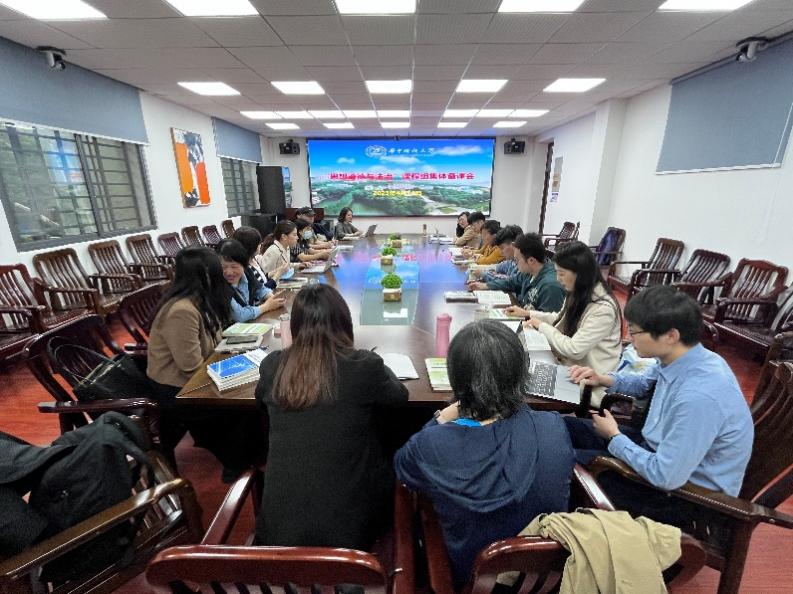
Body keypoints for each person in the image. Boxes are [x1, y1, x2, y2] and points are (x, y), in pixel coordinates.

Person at [394, 321, 575, 590]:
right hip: (544, 579)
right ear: (521, 371)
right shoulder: (553, 426)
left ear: (456, 379)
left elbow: (403, 467)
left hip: (470, 579)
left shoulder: (432, 444)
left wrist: (441, 417)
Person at [563, 286, 753, 529]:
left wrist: (615, 437)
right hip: (655, 451)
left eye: (635, 332)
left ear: (670, 335)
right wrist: (602, 378)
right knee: (563, 427)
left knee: (563, 463)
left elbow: (665, 476)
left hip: (682, 498)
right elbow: (646, 383)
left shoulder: (699, 396)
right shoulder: (685, 358)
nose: (631, 338)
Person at [254, 284, 408, 550]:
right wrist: (376, 361)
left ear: (296, 325)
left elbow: (260, 402)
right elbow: (399, 397)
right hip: (352, 536)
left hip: (279, 533)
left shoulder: (273, 366)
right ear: (343, 322)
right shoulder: (364, 365)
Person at [147, 247, 262, 479]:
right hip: (178, 390)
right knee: (245, 406)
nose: (224, 275)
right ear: (206, 276)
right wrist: (234, 373)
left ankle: (247, 454)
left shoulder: (200, 302)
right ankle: (235, 464)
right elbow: (191, 369)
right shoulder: (181, 311)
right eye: (219, 271)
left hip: (200, 375)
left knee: (256, 389)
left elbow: (216, 340)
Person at [523, 241, 621, 398]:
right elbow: (560, 319)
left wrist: (541, 326)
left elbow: (574, 349)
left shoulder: (603, 308)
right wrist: (529, 314)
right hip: (569, 370)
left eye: (561, 274)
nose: (558, 279)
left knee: (522, 391)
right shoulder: (579, 291)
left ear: (580, 273)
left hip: (588, 386)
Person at [468, 232, 564, 313]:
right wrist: (485, 285)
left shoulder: (550, 287)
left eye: (517, 260)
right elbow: (511, 282)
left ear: (531, 260)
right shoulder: (530, 271)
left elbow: (547, 322)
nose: (515, 263)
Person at [218, 239, 285, 322]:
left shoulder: (247, 272)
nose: (229, 272)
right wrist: (266, 306)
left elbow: (260, 289)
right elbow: (239, 315)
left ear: (244, 265)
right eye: (224, 267)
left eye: (234, 267)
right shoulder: (220, 284)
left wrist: (272, 297)